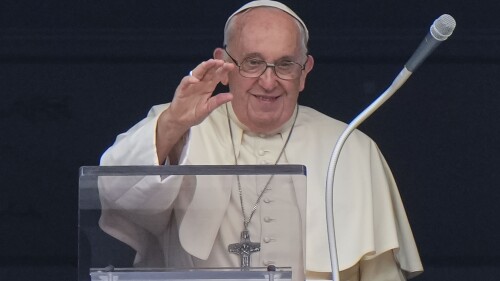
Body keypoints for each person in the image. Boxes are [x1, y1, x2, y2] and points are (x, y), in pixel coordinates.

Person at [98, 1, 423, 280]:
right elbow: (114, 194)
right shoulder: (178, 126)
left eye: (285, 65)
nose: (268, 82)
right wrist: (171, 124)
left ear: (305, 71)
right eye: (252, 62)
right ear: (223, 65)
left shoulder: (351, 148)